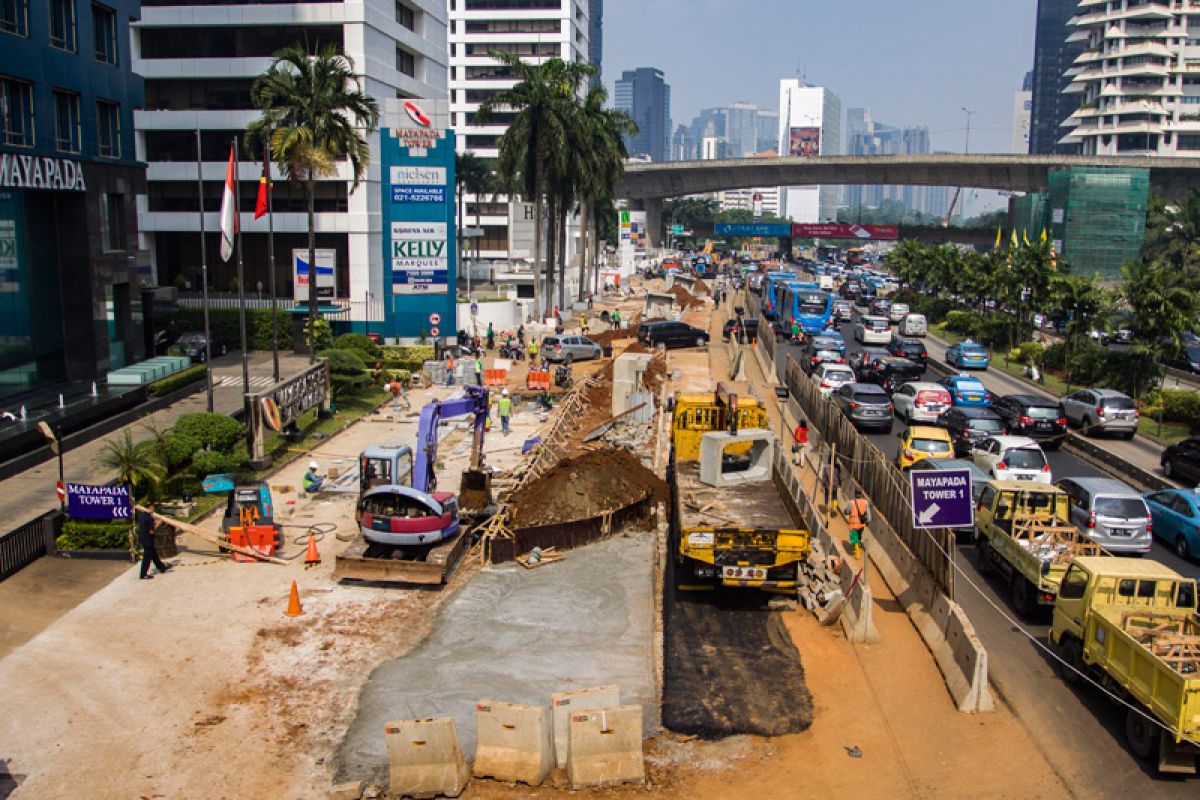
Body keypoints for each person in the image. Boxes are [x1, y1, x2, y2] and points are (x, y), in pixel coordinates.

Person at [136, 505, 171, 580]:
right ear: (150, 508)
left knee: (154, 555)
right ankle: (143, 574)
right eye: (153, 509)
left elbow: (145, 526)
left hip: (142, 539)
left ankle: (162, 568)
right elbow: (151, 532)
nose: (153, 511)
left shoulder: (141, 515)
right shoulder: (149, 518)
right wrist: (157, 524)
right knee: (147, 558)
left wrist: (154, 522)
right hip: (148, 540)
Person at [845, 491, 871, 559]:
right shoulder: (865, 502)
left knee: (854, 538)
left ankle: (857, 553)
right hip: (861, 524)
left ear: (855, 494)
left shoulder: (851, 503)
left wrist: (846, 511)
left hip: (854, 524)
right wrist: (868, 521)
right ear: (861, 495)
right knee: (859, 535)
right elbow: (868, 514)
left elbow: (847, 511)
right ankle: (858, 544)